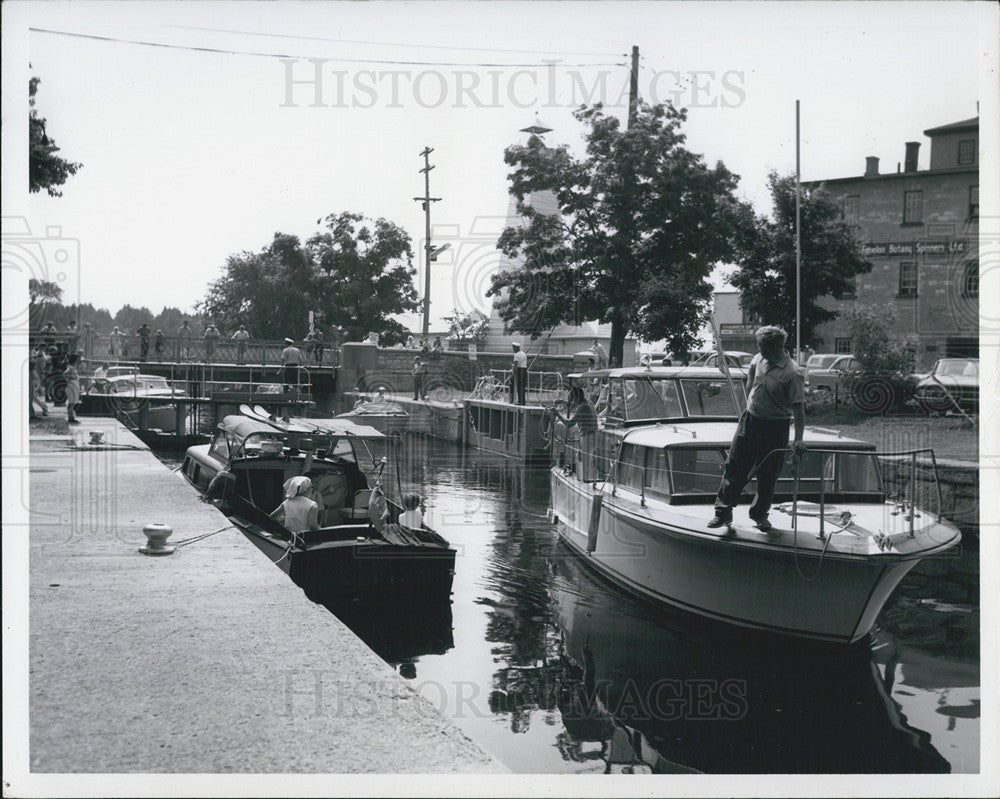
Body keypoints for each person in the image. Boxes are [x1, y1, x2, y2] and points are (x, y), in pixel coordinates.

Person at [708, 325, 807, 533]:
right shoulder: (758, 359)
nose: (758, 348)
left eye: (760, 345)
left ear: (773, 347)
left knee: (768, 474)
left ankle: (759, 514)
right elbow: (750, 384)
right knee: (734, 465)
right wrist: (749, 407)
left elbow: (799, 409)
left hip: (776, 427)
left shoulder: (792, 373)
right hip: (751, 420)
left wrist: (798, 439)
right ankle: (723, 512)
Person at [552, 385, 599, 481]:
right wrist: (563, 402)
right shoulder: (589, 403)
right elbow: (574, 405)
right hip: (594, 435)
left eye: (572, 399)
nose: (571, 402)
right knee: (587, 460)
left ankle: (586, 482)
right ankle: (586, 479)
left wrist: (558, 414)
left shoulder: (582, 407)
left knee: (585, 462)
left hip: (587, 437)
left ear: (576, 398)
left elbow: (569, 424)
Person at [29, 347, 49, 419]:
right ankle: (42, 408)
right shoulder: (39, 361)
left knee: (32, 398)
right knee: (33, 398)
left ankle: (42, 408)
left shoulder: (37, 363)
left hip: (34, 382)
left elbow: (37, 377)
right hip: (35, 382)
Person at [64, 353, 83, 424]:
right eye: (77, 360)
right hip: (71, 386)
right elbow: (65, 374)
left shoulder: (73, 368)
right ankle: (70, 417)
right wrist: (71, 377)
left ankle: (71, 417)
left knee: (73, 402)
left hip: (74, 386)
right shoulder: (71, 368)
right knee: (71, 403)